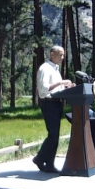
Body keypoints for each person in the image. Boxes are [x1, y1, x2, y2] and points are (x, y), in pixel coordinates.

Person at [33, 45, 75, 173]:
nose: (62, 57)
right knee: (53, 136)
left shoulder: (55, 69)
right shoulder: (45, 68)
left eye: (63, 55)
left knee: (55, 136)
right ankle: (39, 159)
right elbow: (44, 89)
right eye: (60, 55)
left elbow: (57, 89)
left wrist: (68, 87)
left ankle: (49, 164)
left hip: (57, 103)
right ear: (52, 54)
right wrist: (61, 83)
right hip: (49, 103)